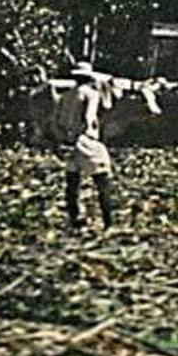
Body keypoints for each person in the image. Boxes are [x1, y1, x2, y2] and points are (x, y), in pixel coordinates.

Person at [56, 61, 116, 230]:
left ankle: (74, 218)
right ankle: (108, 221)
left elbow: (58, 120)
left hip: (68, 141)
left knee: (72, 180)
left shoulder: (66, 95)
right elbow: (88, 117)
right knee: (102, 179)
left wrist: (65, 139)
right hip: (85, 139)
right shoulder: (91, 94)